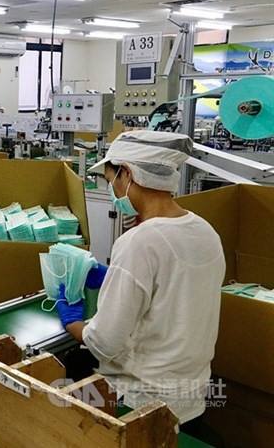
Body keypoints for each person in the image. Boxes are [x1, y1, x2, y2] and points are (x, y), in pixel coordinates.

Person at [55, 131, 225, 428]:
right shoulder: (205, 231)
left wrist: (73, 322)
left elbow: (104, 343)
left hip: (141, 404)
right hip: (191, 397)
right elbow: (176, 288)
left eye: (112, 182)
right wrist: (118, 278)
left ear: (128, 174)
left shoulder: (139, 241)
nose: (114, 192)